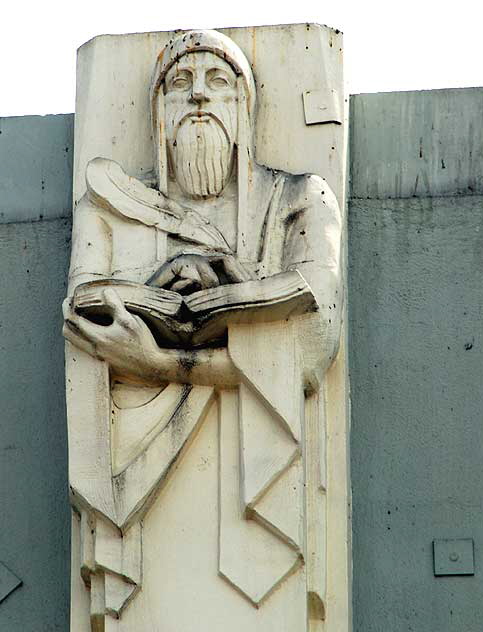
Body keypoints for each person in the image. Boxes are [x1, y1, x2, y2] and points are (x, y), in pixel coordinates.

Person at [64, 28, 343, 627]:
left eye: (218, 82)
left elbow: (314, 341)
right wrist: (160, 285)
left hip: (260, 477)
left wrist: (164, 362)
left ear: (244, 106)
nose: (198, 98)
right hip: (139, 469)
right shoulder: (111, 202)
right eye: (179, 84)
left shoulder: (299, 198)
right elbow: (84, 308)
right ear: (158, 112)